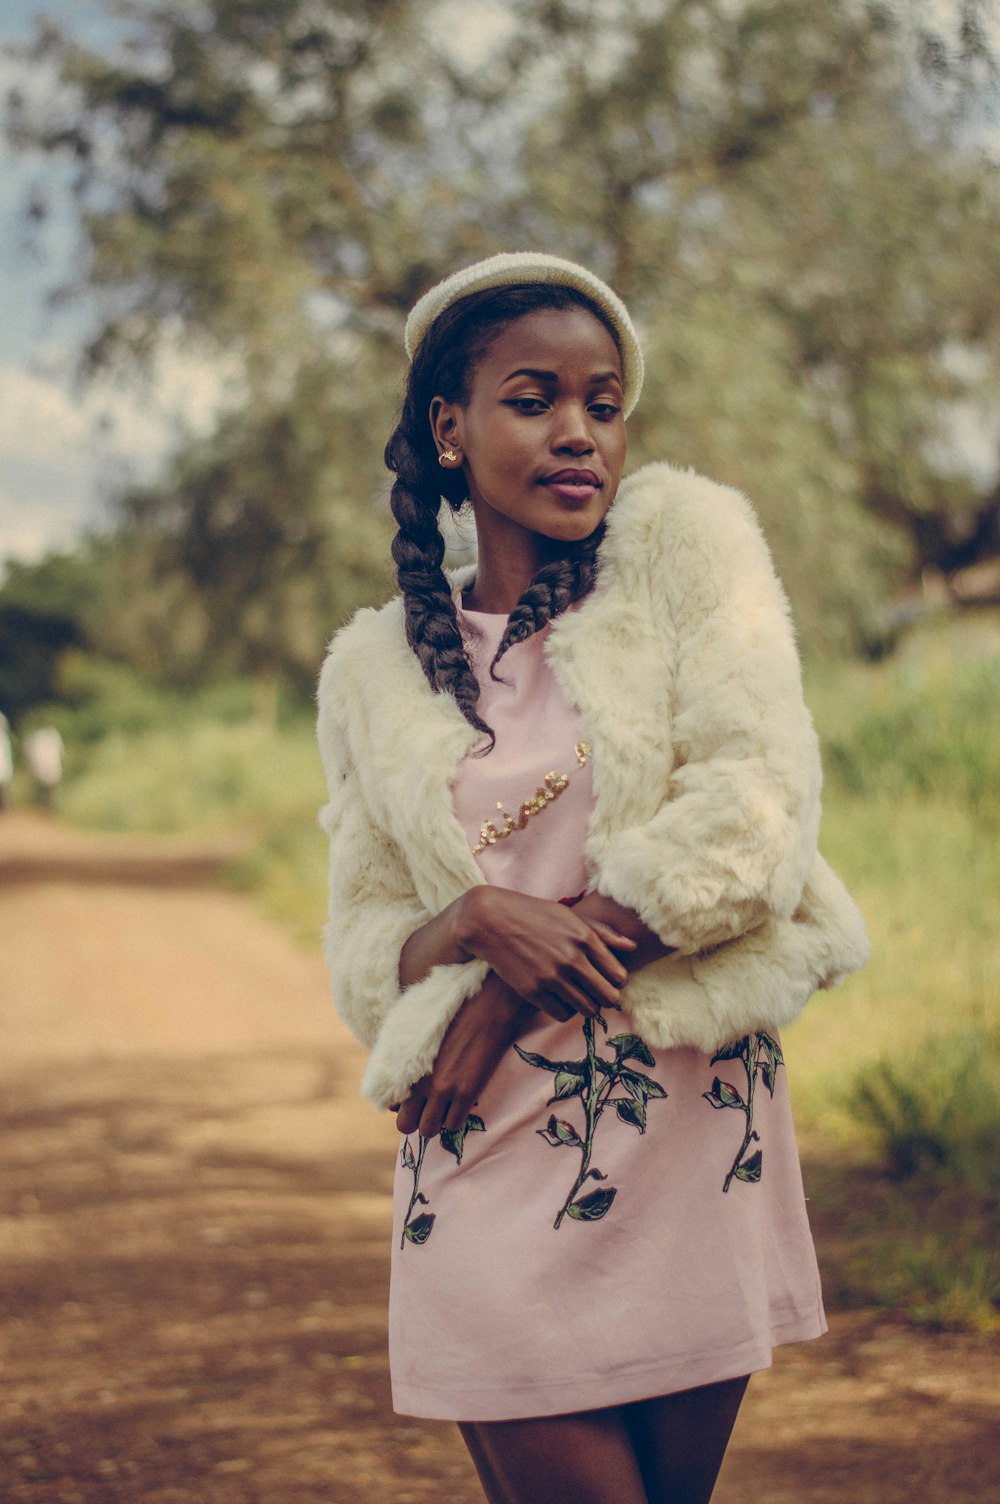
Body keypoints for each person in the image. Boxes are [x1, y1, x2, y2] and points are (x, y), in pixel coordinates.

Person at [316, 252, 870, 1504]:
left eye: (602, 404)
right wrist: (467, 918)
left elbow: (753, 819)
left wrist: (520, 975)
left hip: (685, 1122)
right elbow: (366, 944)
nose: (578, 433)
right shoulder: (374, 672)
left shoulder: (687, 553)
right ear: (448, 429)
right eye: (534, 398)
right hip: (487, 1143)